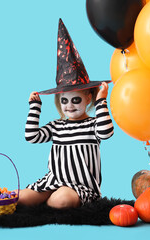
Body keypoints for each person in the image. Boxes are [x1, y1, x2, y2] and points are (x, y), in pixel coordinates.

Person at [17, 19, 114, 209]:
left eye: (75, 100)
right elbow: (31, 137)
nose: (69, 106)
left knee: (61, 199)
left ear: (88, 98)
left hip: (81, 187)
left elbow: (106, 132)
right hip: (53, 182)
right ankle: (41, 199)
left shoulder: (93, 125)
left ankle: (48, 202)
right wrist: (35, 107)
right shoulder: (57, 126)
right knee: (21, 197)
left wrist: (102, 101)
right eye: (64, 101)